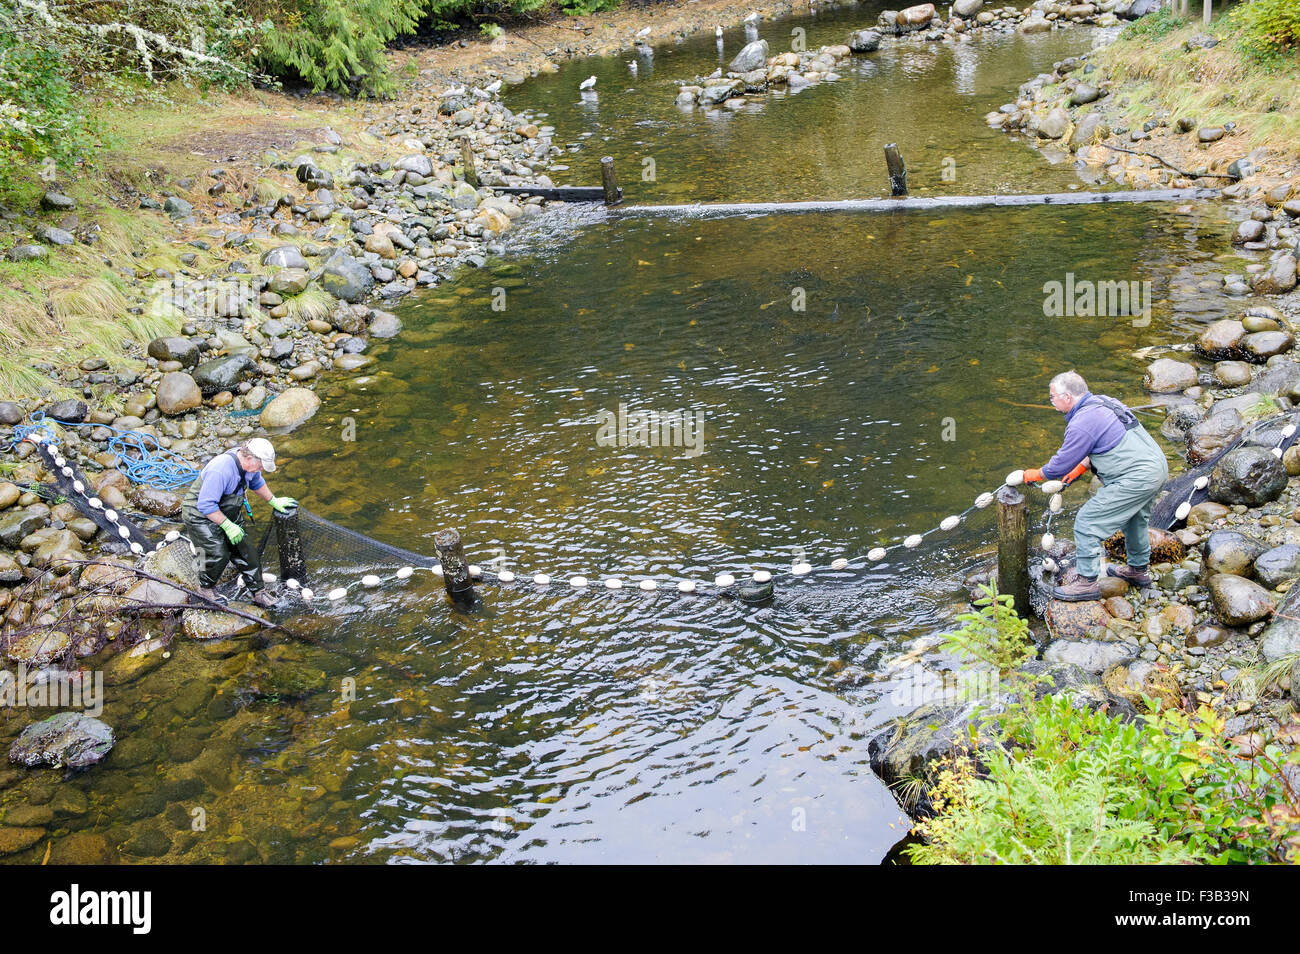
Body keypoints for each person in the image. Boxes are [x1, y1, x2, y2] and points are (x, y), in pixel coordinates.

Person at [1022, 371, 1168, 602]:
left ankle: (1086, 583)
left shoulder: (1081, 422)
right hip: (1155, 467)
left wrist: (1035, 474)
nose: (1051, 402)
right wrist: (1080, 468)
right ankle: (1138, 571)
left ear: (1067, 397)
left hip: (1135, 477)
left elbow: (1057, 466)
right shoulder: (1105, 402)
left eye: (1052, 398)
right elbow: (1106, 441)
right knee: (1135, 520)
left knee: (1087, 522)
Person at [181, 438, 296, 607]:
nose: (262, 469)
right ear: (249, 458)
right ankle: (205, 588)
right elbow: (205, 505)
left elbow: (257, 482)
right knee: (217, 553)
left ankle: (258, 592)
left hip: (227, 512)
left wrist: (273, 500)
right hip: (200, 516)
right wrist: (227, 526)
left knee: (247, 552)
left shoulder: (250, 467)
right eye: (261, 465)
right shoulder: (220, 469)